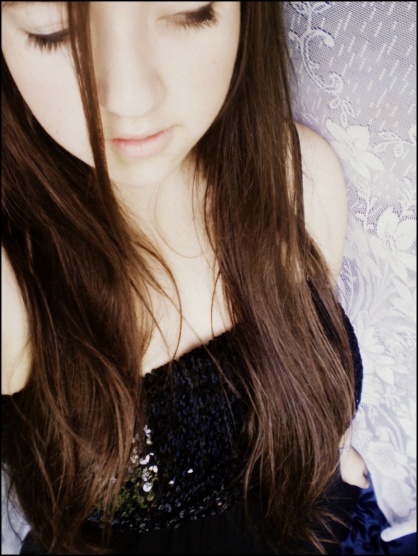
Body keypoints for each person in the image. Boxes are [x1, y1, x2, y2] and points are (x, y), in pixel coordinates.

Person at [1, 2, 370, 554]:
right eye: (52, 30)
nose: (130, 100)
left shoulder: (296, 176)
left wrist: (335, 454)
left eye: (187, 10)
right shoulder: (19, 279)